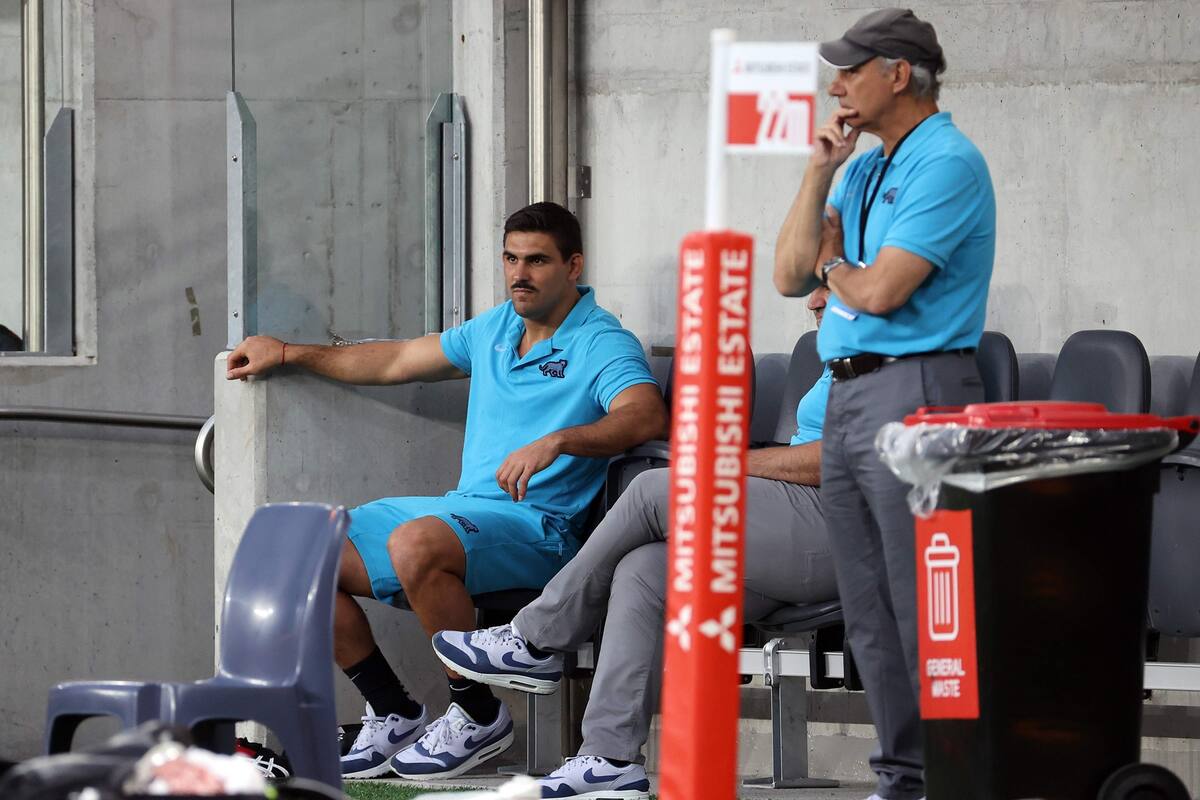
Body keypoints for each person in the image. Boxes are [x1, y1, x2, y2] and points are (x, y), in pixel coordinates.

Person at [226, 202, 668, 780]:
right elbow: (398, 359)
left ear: (574, 266)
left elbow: (643, 416)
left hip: (546, 529)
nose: (520, 274)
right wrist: (289, 353)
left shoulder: (602, 342)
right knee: (294, 552)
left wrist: (560, 439)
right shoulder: (496, 328)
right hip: (468, 512)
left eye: (537, 260)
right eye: (511, 258)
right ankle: (393, 713)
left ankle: (477, 714)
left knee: (416, 544)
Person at [432, 288, 836, 800]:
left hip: (842, 533)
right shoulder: (839, 353)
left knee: (653, 488)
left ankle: (533, 638)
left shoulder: (893, 357)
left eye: (835, 279)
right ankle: (609, 759)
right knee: (645, 569)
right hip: (788, 533)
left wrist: (725, 467)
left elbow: (832, 462)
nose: (814, 297)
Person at [773, 9, 995, 800]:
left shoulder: (949, 163)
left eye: (850, 68)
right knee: (867, 610)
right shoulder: (862, 167)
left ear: (898, 74)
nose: (836, 84)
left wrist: (836, 270)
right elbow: (790, 274)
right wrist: (818, 173)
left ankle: (956, 780)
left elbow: (880, 289)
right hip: (850, 394)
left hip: (920, 390)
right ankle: (902, 779)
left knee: (928, 612)